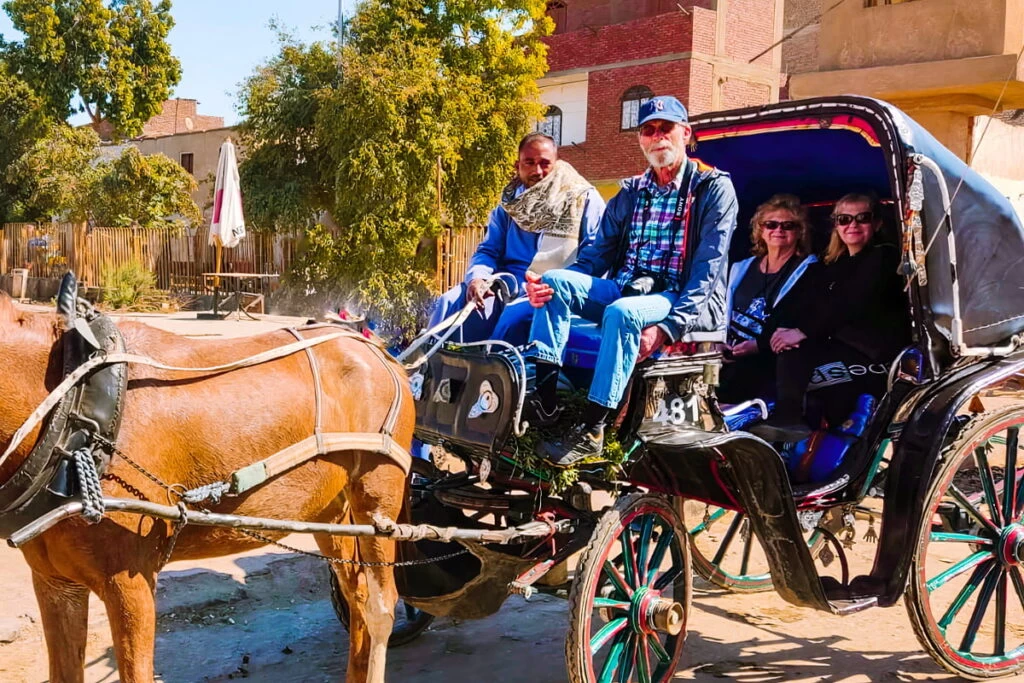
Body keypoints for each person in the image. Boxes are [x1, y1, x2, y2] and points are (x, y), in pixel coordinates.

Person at [524, 95, 738, 467]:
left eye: (665, 129)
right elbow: (595, 257)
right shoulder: (631, 192)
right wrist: (547, 284)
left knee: (623, 313)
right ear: (640, 139)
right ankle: (545, 402)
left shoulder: (712, 189)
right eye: (648, 130)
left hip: (678, 297)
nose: (657, 138)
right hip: (627, 285)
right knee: (554, 281)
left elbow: (708, 272)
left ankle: (593, 428)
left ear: (685, 134)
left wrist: (668, 328)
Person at [753, 192, 910, 442]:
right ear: (836, 225)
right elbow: (804, 305)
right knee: (773, 350)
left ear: (877, 223)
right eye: (844, 219)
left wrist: (802, 332)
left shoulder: (884, 257)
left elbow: (852, 304)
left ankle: (790, 419)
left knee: (794, 349)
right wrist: (768, 338)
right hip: (837, 343)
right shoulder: (834, 264)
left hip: (872, 353)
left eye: (863, 218)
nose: (853, 225)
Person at [428, 132, 605, 345]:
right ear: (517, 165)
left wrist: (556, 284)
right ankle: (429, 373)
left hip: (552, 292)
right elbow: (488, 250)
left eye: (545, 163)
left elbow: (596, 256)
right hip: (507, 286)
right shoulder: (509, 205)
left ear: (556, 164)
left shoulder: (583, 198)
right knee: (450, 302)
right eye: (529, 162)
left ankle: (492, 372)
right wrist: (478, 278)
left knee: (512, 320)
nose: (537, 171)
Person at [718, 194, 817, 403]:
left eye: (788, 225)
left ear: (800, 232)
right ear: (760, 230)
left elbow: (801, 320)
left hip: (768, 355)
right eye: (771, 224)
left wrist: (757, 345)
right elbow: (719, 310)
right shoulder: (740, 267)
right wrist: (717, 342)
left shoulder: (810, 269)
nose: (778, 230)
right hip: (727, 351)